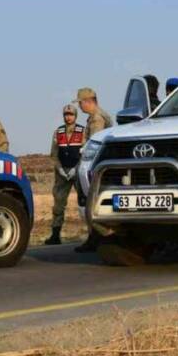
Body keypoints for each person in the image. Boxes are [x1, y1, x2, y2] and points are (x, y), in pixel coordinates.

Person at [74, 87, 113, 252]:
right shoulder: (95, 117)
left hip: (93, 167)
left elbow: (93, 144)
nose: (80, 107)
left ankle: (98, 237)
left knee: (88, 201)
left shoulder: (97, 119)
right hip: (97, 167)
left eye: (81, 103)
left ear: (88, 101)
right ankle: (96, 237)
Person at [44, 103, 84, 245]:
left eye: (71, 114)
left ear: (75, 116)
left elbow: (85, 154)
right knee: (58, 205)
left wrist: (76, 169)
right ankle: (55, 235)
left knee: (85, 202)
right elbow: (54, 154)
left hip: (78, 172)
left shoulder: (82, 131)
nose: (68, 117)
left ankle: (93, 236)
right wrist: (60, 169)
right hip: (62, 173)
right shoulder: (58, 132)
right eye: (66, 115)